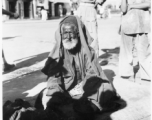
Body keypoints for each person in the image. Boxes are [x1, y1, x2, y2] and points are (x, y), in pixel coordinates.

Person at [38, 16, 120, 116]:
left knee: (105, 87)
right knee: (46, 96)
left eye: (71, 33)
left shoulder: (88, 52)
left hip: (84, 88)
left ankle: (89, 106)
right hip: (63, 90)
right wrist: (56, 93)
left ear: (77, 33)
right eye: (65, 33)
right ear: (60, 34)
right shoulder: (57, 54)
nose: (68, 37)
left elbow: (93, 73)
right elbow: (53, 78)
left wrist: (81, 88)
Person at [119, 0, 151, 81]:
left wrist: (132, 6)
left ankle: (146, 76)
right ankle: (127, 74)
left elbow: (148, 4)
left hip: (142, 24)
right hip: (128, 24)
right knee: (126, 52)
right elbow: (123, 9)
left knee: (144, 52)